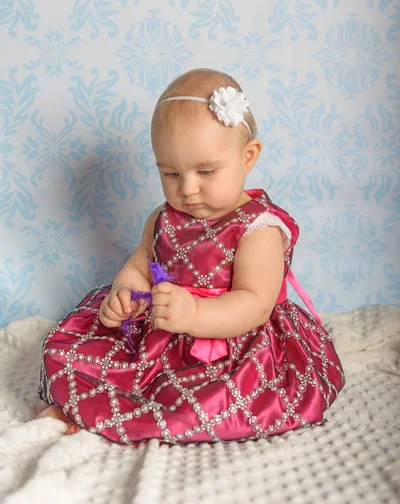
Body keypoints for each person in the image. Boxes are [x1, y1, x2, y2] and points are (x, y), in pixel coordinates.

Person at [37, 68, 345, 444]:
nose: (188, 189)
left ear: (248, 157)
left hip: (230, 342)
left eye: (206, 171)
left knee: (202, 400)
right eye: (170, 173)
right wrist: (126, 294)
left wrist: (194, 315)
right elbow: (139, 265)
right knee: (64, 350)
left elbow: (256, 304)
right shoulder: (164, 217)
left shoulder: (257, 229)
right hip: (161, 331)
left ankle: (110, 413)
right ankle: (87, 406)